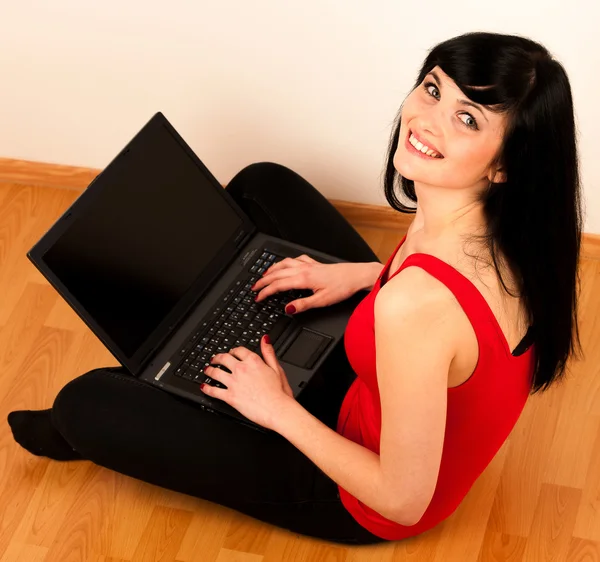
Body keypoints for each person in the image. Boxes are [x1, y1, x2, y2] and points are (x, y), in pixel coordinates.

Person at [8, 31, 584, 544]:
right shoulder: (503, 225)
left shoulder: (417, 308)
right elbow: (443, 303)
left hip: (358, 491)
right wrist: (361, 277)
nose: (427, 120)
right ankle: (200, 340)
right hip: (382, 386)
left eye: (468, 118)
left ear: (507, 164)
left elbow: (403, 501)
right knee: (264, 185)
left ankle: (163, 376)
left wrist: (277, 409)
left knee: (84, 406)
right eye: (433, 89)